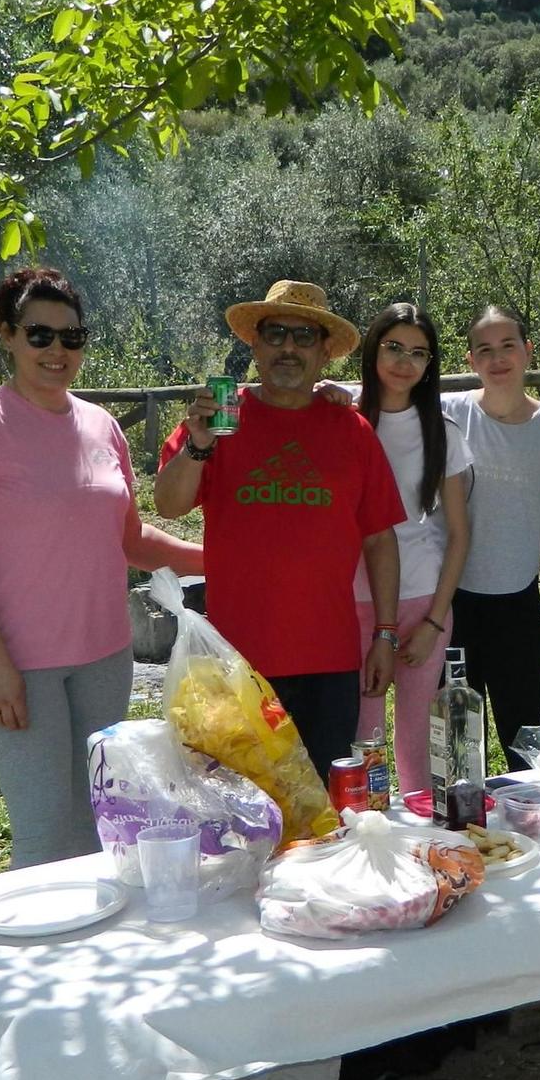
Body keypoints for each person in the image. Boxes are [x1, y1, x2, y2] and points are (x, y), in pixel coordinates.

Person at [0, 266, 205, 869]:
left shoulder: (101, 426)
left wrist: (219, 560)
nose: (57, 350)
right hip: (16, 664)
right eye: (40, 335)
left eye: (71, 338)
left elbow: (131, 539)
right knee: (48, 833)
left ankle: (91, 953)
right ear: (6, 333)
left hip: (105, 656)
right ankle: (35, 957)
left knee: (98, 823)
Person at [155, 280, 405, 778]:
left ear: (324, 353)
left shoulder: (351, 431)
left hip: (329, 660)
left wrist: (384, 634)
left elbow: (380, 539)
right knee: (242, 808)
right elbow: (169, 503)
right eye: (276, 333)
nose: (288, 347)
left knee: (323, 806)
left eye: (304, 336)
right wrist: (199, 444)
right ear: (255, 344)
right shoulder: (220, 419)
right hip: (234, 658)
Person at [443, 307, 540, 769]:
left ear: (527, 352)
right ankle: (460, 838)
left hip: (519, 605)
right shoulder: (449, 414)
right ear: (471, 359)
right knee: (460, 753)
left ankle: (527, 836)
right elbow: (386, 399)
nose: (497, 358)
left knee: (527, 750)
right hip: (452, 604)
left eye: (508, 346)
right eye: (485, 349)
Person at [352, 302, 473, 796]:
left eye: (419, 354)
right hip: (355, 597)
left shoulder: (442, 432)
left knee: (421, 737)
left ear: (430, 367)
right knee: (365, 730)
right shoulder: (344, 416)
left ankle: (423, 842)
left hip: (423, 597)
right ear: (373, 349)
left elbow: (460, 535)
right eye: (394, 347)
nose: (404, 362)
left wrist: (435, 622)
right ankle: (366, 832)